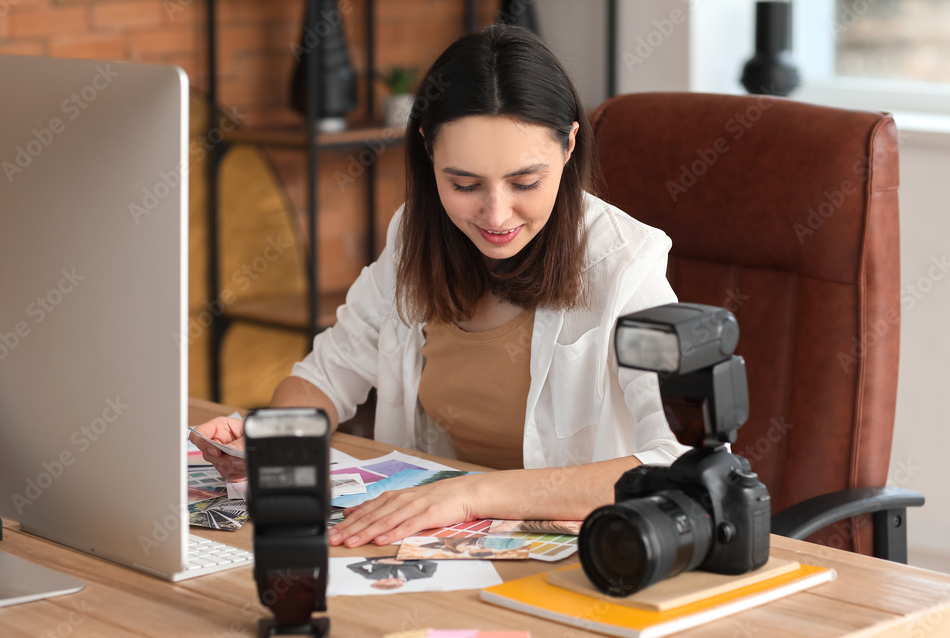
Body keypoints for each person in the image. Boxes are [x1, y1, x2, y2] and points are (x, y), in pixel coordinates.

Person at [190, 25, 688, 550]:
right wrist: (272, 444)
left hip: (581, 563)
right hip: (432, 550)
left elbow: (676, 461)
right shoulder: (415, 236)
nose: (496, 215)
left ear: (568, 145)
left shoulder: (626, 264)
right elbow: (326, 374)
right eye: (464, 185)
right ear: (427, 151)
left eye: (525, 183)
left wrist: (471, 495)